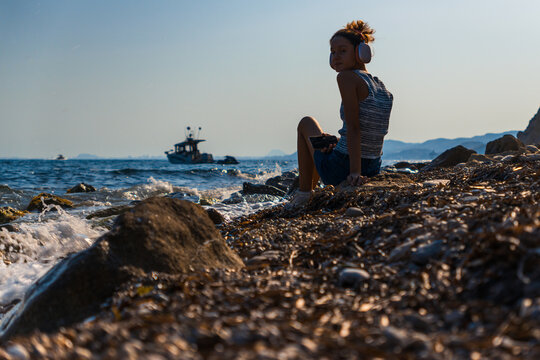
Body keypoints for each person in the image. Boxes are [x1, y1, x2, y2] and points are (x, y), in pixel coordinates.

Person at [290, 20, 393, 207]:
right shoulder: (381, 87)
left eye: (342, 51)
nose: (336, 57)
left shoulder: (346, 77)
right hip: (373, 167)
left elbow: (354, 127)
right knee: (324, 141)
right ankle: (308, 191)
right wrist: (340, 144)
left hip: (345, 168)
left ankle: (304, 195)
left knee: (306, 123)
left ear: (361, 52)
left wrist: (354, 173)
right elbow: (373, 130)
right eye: (332, 52)